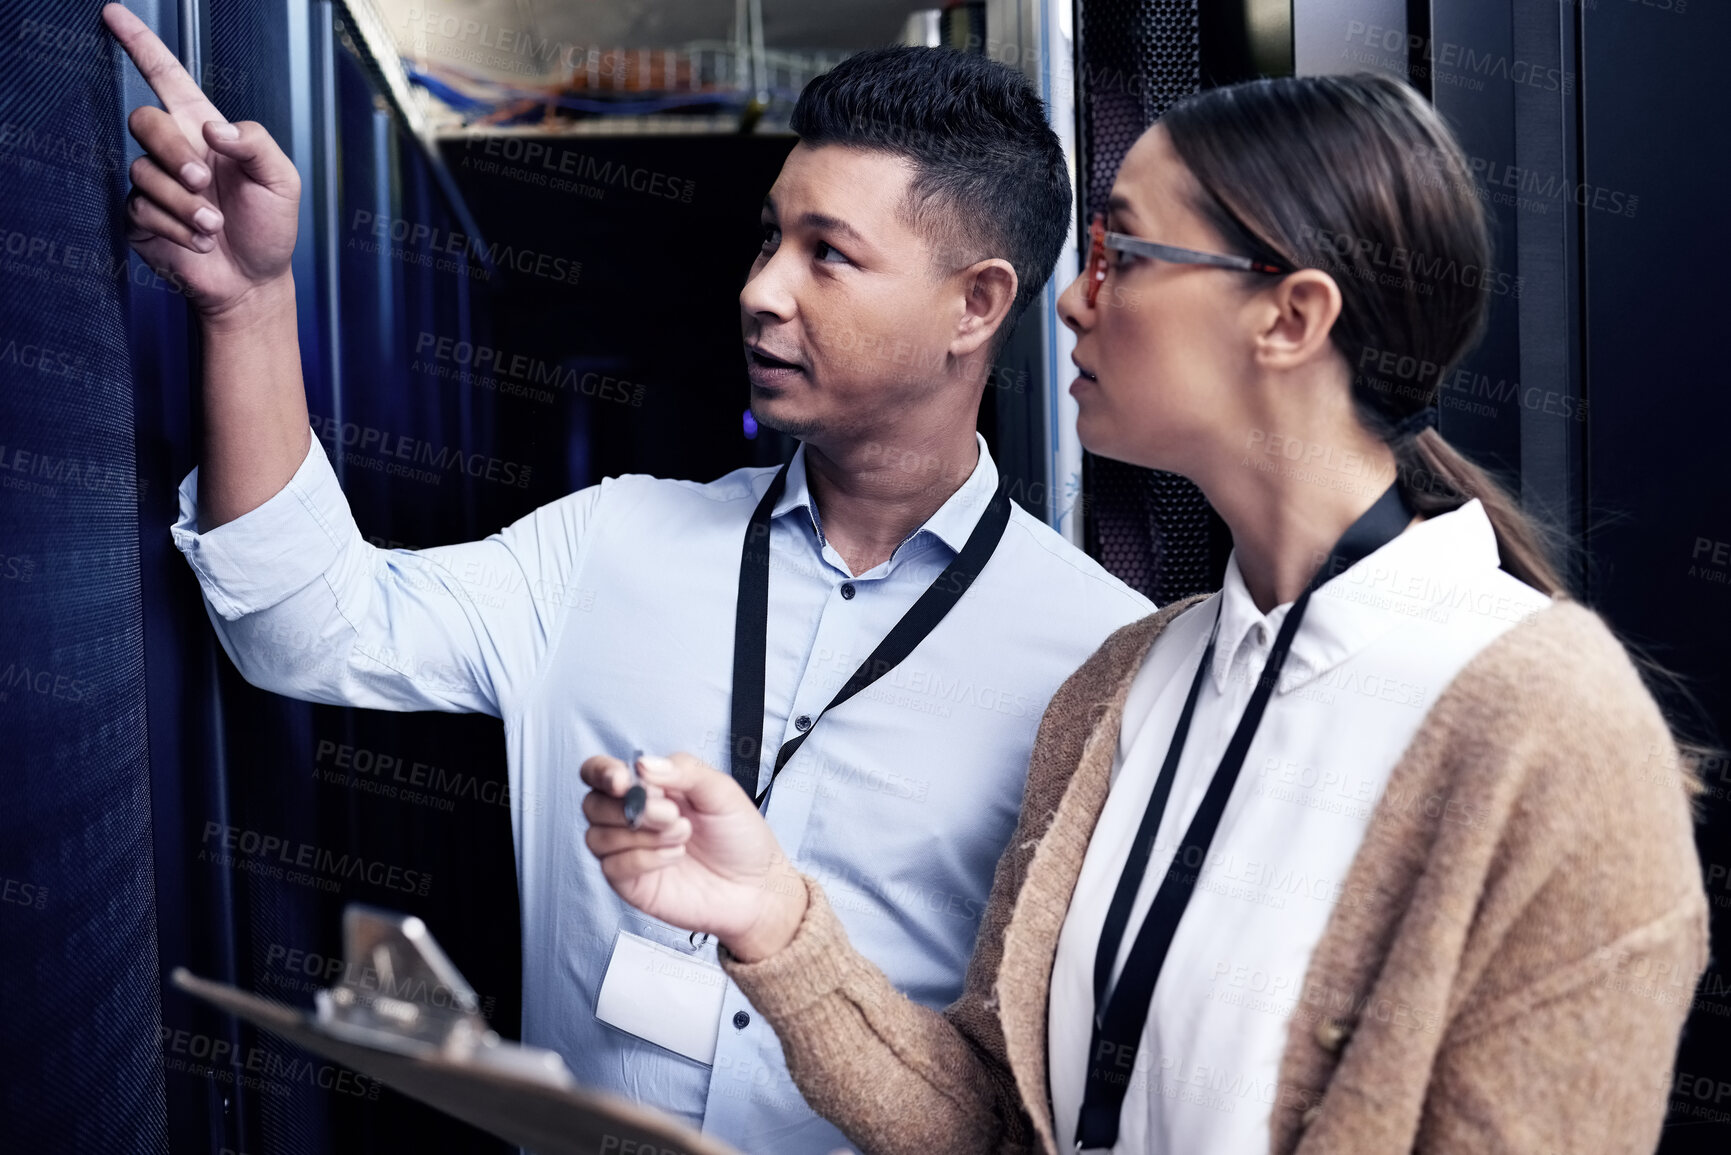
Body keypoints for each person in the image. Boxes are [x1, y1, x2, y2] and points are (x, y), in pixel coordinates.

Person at [582, 72, 1711, 1154]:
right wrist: (773, 917)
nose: (1071, 295)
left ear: (1289, 318)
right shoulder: (1126, 682)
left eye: (1124, 252)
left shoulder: (1552, 726)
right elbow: (995, 1126)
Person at [100, 5, 1153, 1151]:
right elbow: (306, 626)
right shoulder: (609, 543)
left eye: (829, 255)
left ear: (978, 304)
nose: (762, 290)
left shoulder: (1103, 661)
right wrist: (246, 300)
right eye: (769, 239)